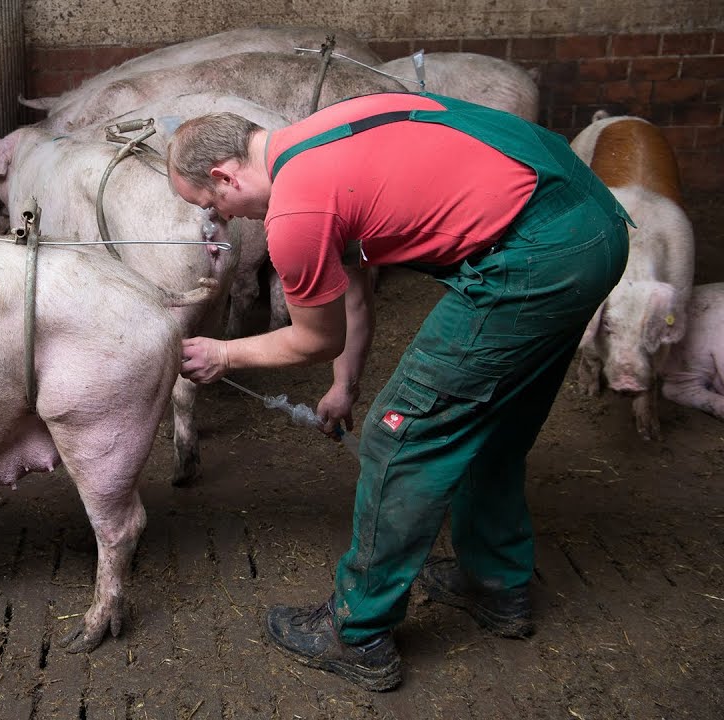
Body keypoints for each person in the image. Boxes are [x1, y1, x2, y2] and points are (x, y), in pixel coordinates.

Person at [166, 92, 630, 692]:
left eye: (215, 205)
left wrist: (225, 352)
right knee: (490, 420)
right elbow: (352, 295)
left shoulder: (294, 214)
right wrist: (344, 389)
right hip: (591, 222)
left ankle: (358, 632)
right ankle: (495, 583)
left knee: (400, 435)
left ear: (225, 175)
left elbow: (313, 338)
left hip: (534, 256)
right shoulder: (320, 138)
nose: (226, 221)